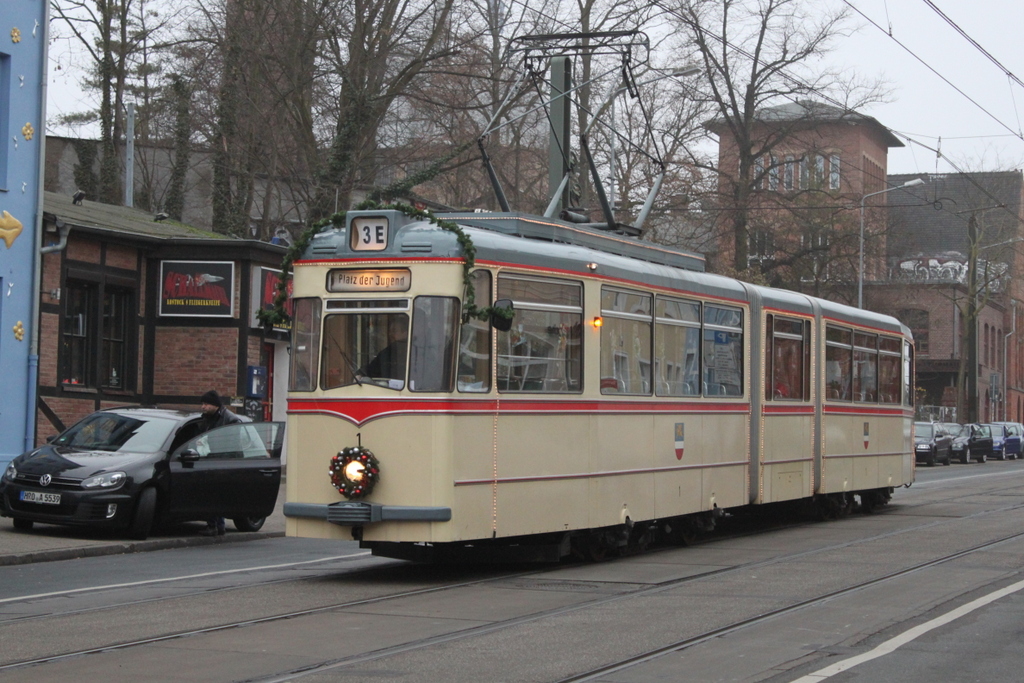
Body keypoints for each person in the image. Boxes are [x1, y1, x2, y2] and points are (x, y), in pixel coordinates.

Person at [196, 390, 242, 537]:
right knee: (214, 494)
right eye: (202, 404)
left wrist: (222, 461)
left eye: (206, 404)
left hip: (222, 462)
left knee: (215, 494)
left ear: (215, 405)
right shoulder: (207, 418)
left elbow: (233, 444)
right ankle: (218, 526)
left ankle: (214, 526)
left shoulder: (230, 419)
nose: (203, 407)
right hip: (211, 460)